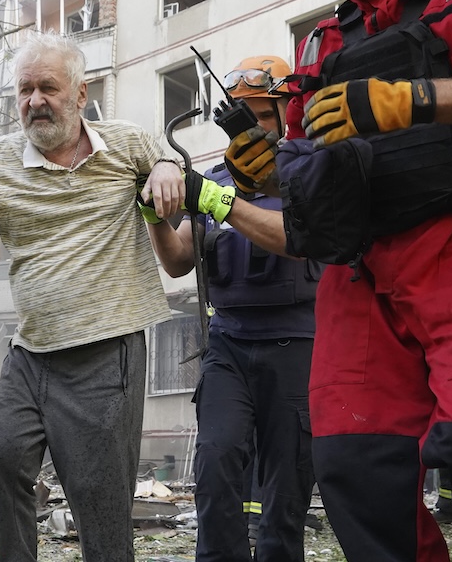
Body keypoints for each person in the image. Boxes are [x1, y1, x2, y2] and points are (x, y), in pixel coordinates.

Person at [180, 0, 452, 559]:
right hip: (360, 272)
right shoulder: (321, 44)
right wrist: (270, 171)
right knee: (354, 467)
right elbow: (313, 184)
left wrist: (415, 100)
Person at [0, 31, 185, 561]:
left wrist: (166, 167)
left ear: (80, 94)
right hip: (32, 351)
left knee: (99, 497)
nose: (34, 101)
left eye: (48, 87)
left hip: (106, 350)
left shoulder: (127, 144)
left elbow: (165, 160)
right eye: (25, 90)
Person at [144, 55, 319, 562]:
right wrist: (154, 214)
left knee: (286, 485)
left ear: (288, 113)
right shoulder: (214, 178)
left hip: (297, 343)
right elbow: (178, 261)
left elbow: (300, 242)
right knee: (217, 460)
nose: (254, 127)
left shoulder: (307, 174)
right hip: (228, 344)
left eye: (264, 114)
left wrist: (220, 203)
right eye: (242, 114)